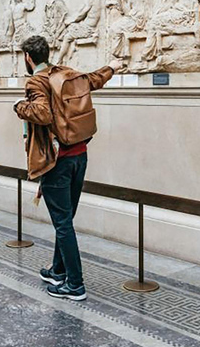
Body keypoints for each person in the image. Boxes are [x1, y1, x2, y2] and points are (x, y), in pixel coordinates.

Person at [13, 35, 120, 301]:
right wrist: (112, 67)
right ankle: (58, 271)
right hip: (79, 156)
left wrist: (19, 106)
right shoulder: (66, 74)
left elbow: (43, 113)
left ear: (28, 57)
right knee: (66, 220)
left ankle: (75, 285)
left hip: (56, 161)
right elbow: (94, 80)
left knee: (62, 224)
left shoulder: (36, 81)